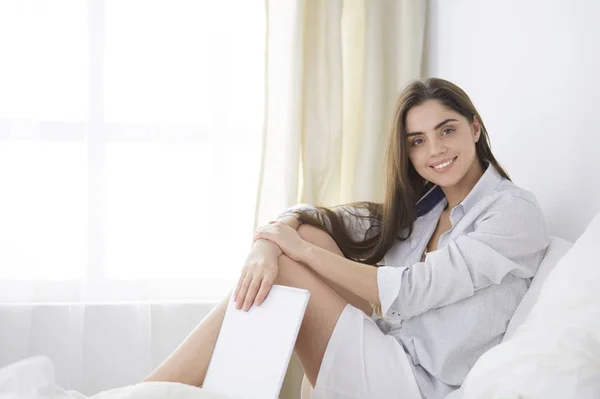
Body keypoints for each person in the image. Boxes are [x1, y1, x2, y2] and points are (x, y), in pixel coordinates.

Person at [144, 78, 550, 399]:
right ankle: (168, 391)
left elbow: (413, 290)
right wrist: (265, 247)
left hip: (418, 384)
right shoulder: (424, 211)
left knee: (295, 259)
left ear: (475, 129)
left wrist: (292, 251)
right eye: (418, 141)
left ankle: (150, 391)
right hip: (388, 349)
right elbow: (309, 217)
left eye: (447, 130)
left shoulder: (512, 211)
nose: (436, 149)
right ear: (407, 153)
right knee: (307, 236)